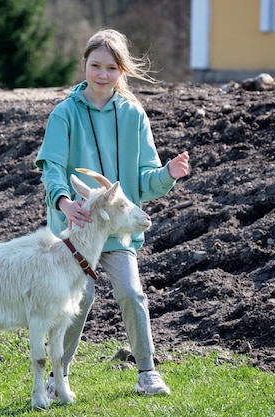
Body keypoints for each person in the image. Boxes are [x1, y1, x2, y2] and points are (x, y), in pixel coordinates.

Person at [34, 28, 190, 399]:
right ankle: (59, 377)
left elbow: (144, 180)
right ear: (84, 65)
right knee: (79, 299)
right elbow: (50, 166)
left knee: (132, 293)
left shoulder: (134, 115)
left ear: (123, 71)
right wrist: (64, 203)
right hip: (77, 232)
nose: (102, 74)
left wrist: (167, 174)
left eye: (111, 67)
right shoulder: (64, 114)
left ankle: (147, 373)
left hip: (118, 233)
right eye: (95, 65)